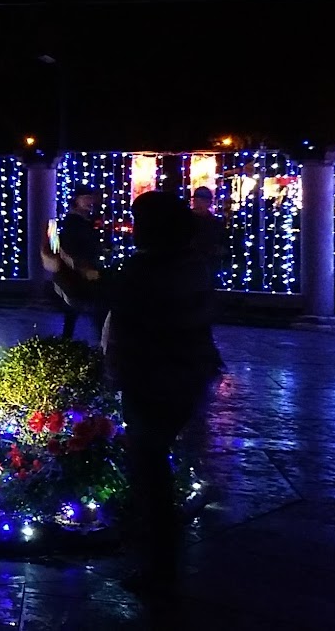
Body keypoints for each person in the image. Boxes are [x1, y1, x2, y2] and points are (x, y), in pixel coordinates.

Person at [102, 190, 221, 598]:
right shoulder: (192, 263)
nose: (133, 230)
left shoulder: (147, 269)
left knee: (149, 470)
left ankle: (159, 566)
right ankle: (161, 560)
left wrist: (62, 272)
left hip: (153, 377)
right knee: (156, 465)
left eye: (139, 222)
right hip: (186, 374)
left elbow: (110, 300)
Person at [52, 185, 107, 340]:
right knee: (91, 309)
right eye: (86, 198)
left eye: (91, 198)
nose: (90, 201)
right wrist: (81, 267)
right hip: (78, 271)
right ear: (76, 200)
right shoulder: (72, 222)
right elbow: (68, 247)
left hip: (84, 270)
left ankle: (69, 343)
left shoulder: (86, 221)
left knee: (75, 312)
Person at [189, 186, 228, 285]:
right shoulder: (186, 220)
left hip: (208, 263)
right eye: (196, 200)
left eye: (202, 201)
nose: (198, 204)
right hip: (191, 262)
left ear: (209, 203)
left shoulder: (214, 222)